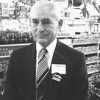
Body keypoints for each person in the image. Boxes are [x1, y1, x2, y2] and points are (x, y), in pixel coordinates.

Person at [1, 1, 88, 100]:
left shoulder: (76, 59)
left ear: (59, 24)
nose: (40, 28)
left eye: (46, 22)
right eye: (35, 22)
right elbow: (9, 95)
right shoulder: (17, 56)